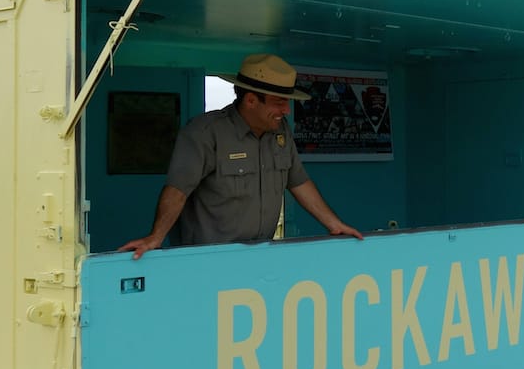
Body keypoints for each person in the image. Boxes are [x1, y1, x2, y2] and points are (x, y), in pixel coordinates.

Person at [121, 53, 363, 258]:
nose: (286, 111)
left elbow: (298, 181)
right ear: (250, 100)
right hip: (208, 259)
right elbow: (177, 190)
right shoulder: (205, 133)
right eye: (279, 103)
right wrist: (156, 237)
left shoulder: (281, 132)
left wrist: (334, 224)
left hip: (259, 256)